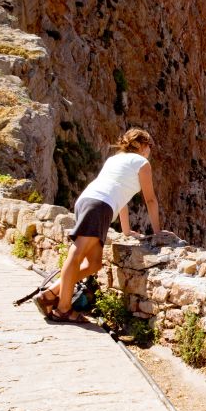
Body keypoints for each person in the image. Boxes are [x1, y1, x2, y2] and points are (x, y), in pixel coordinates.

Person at [34, 127, 171, 322]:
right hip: (100, 206)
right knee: (77, 254)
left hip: (88, 200)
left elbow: (120, 195)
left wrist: (125, 230)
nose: (150, 149)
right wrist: (158, 232)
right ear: (141, 145)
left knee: (94, 263)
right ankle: (63, 308)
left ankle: (50, 294)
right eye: (150, 145)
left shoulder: (114, 159)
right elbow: (150, 200)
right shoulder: (142, 163)